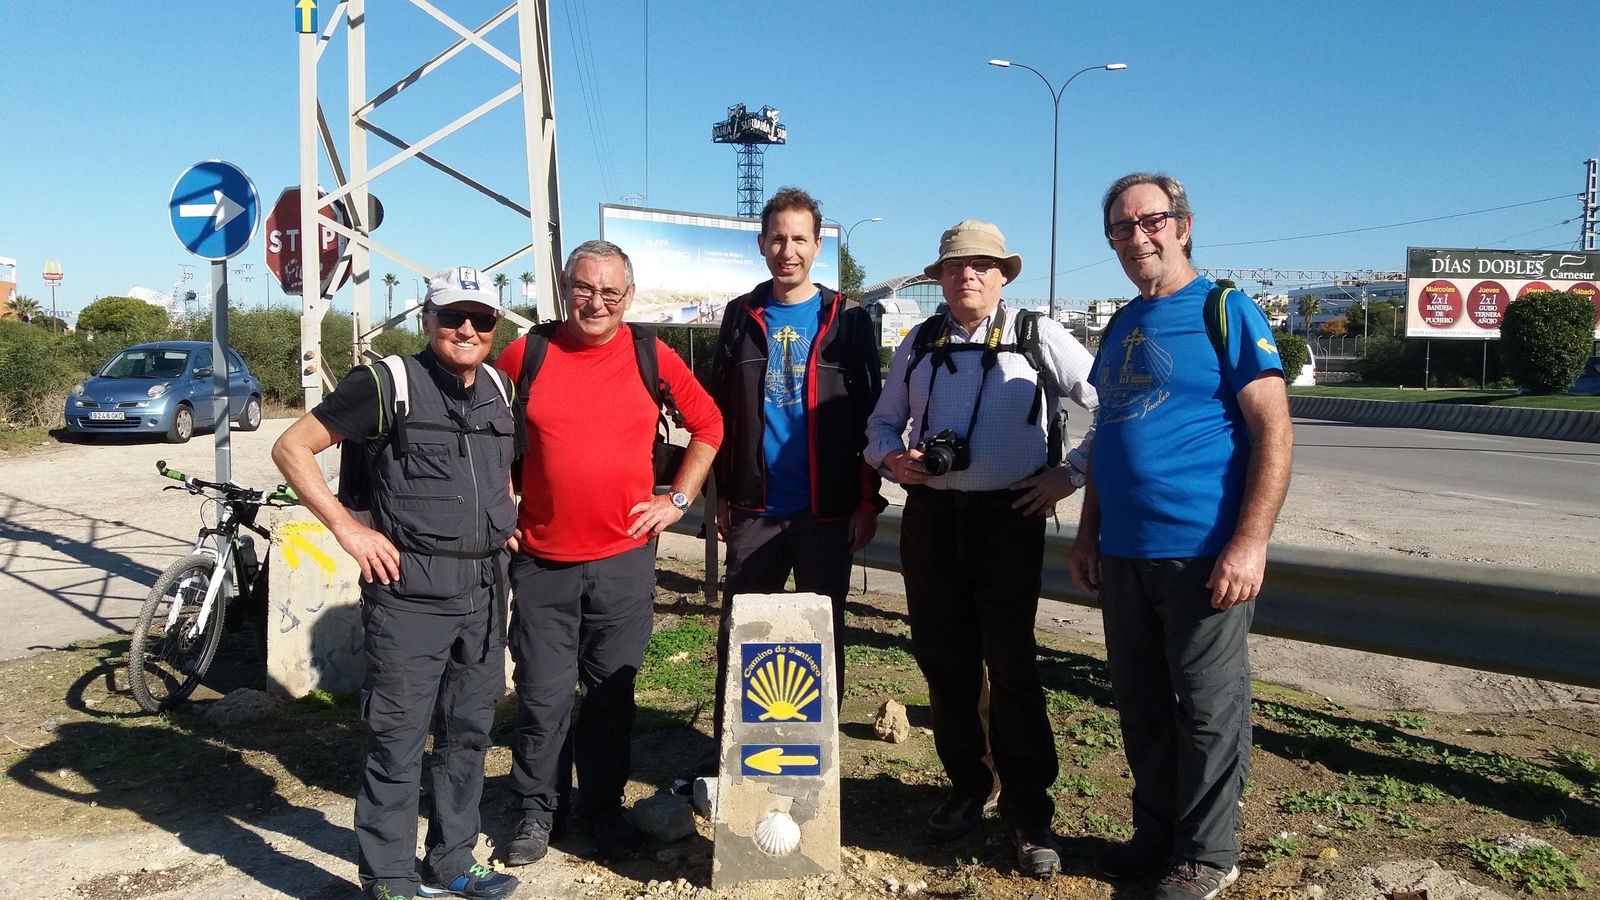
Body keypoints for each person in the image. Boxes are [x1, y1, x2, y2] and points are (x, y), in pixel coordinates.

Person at [1069, 173, 1293, 900]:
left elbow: (1274, 430)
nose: (1137, 237)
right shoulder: (1121, 325)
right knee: (1140, 705)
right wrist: (1089, 532)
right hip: (1124, 553)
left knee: (1206, 710)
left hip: (1203, 552)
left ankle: (1208, 853)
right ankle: (1158, 836)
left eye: (1151, 221)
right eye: (1121, 227)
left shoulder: (1226, 309)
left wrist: (1250, 542)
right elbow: (1110, 435)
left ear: (1183, 225)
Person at [271, 266, 521, 900]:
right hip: (410, 592)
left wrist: (503, 520)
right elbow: (292, 447)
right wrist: (348, 530)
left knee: (468, 733)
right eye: (453, 316)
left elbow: (495, 470)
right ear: (427, 320)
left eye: (481, 319)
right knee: (398, 739)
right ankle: (388, 878)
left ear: (494, 327)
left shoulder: (499, 386)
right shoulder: (387, 383)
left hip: (485, 591)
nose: (467, 329)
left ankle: (452, 861)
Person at [865, 220, 1098, 879]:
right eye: (953, 266)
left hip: (1009, 519)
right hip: (933, 518)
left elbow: (1111, 402)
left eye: (981, 265)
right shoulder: (918, 342)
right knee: (946, 664)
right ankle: (968, 785)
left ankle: (1029, 811)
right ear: (939, 277)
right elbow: (880, 423)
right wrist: (892, 459)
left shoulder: (1037, 334)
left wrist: (1071, 473)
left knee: (1013, 667)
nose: (966, 274)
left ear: (1002, 276)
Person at [496, 240, 723, 867]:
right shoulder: (526, 353)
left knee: (609, 699)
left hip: (623, 562)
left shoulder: (652, 354)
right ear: (564, 287)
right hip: (542, 561)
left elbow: (709, 426)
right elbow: (480, 430)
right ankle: (538, 810)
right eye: (584, 288)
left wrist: (678, 500)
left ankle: (601, 809)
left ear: (629, 295)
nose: (596, 302)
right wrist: (499, 504)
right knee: (541, 697)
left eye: (610, 291)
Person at [707, 186, 885, 758]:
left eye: (800, 239)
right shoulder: (740, 315)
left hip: (826, 513)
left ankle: (814, 757)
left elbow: (870, 419)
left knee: (821, 636)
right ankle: (734, 756)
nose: (789, 251)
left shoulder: (848, 318)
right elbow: (720, 414)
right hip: (754, 509)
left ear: (818, 246)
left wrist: (866, 503)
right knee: (741, 635)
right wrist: (719, 494)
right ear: (762, 244)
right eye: (778, 239)